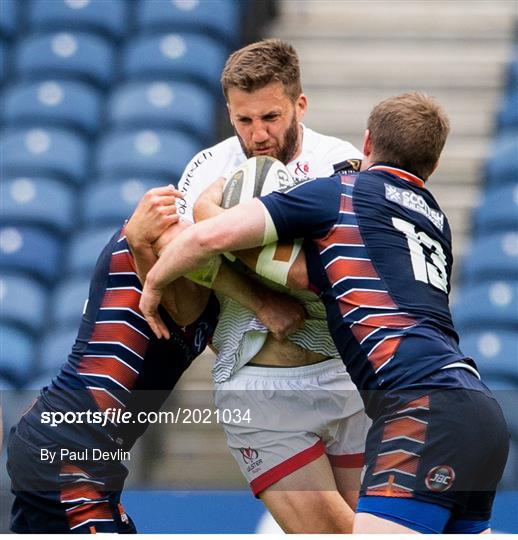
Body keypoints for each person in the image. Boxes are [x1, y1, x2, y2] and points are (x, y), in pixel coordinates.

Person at [140, 91, 510, 534]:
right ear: (432, 167)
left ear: (367, 143)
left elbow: (208, 238)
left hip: (418, 407)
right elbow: (318, 273)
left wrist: (157, 278)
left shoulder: (340, 194)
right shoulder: (435, 219)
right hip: (479, 409)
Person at [160, 38, 371, 533]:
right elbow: (185, 282)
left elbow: (335, 270)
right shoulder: (206, 169)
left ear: (300, 104)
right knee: (332, 533)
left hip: (345, 376)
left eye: (271, 117)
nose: (257, 135)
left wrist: (217, 228)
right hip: (258, 387)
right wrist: (257, 299)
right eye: (243, 120)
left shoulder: (337, 164)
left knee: (376, 528)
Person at [6, 186, 302, 534]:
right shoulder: (156, 236)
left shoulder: (216, 287)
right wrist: (263, 303)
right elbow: (181, 308)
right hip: (70, 447)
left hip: (86, 453)